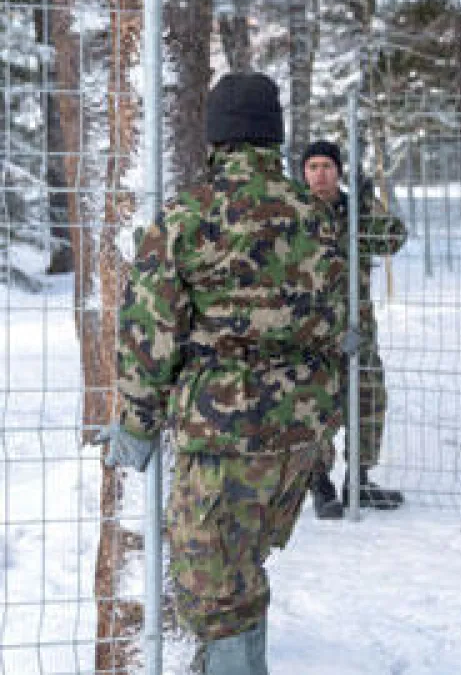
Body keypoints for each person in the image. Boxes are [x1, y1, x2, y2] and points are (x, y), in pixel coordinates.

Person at [103, 72, 348, 673]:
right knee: (243, 564)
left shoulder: (188, 217)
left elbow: (148, 332)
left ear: (215, 137)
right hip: (300, 435)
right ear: (273, 137)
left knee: (213, 585)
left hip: (222, 435)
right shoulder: (316, 217)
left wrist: (134, 425)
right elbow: (333, 319)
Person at [299, 139, 408, 517]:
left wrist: (365, 204)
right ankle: (320, 483)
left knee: (369, 399)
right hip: (311, 332)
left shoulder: (354, 211)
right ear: (302, 173)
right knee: (316, 408)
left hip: (358, 328)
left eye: (327, 166)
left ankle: (358, 479)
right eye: (312, 167)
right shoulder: (294, 212)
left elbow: (393, 239)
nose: (320, 175)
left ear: (339, 172)